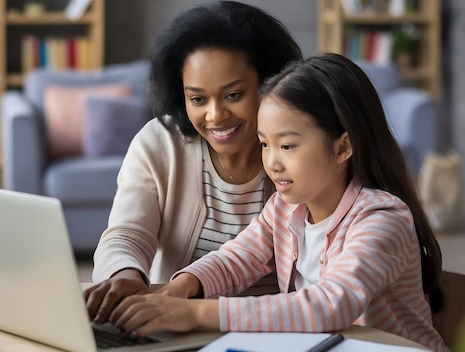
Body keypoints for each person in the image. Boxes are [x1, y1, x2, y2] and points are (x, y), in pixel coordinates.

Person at [104, 53, 448, 352]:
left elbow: (331, 305)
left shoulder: (381, 219)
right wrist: (181, 287)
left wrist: (196, 314)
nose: (272, 163)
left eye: (287, 146)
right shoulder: (287, 209)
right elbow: (236, 258)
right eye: (264, 144)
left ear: (343, 147)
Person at [84, 0, 303, 324]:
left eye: (233, 95)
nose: (215, 116)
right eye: (198, 99)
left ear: (269, 83)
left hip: (281, 328)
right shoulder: (161, 143)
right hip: (179, 326)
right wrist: (125, 274)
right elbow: (127, 233)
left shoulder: (300, 149)